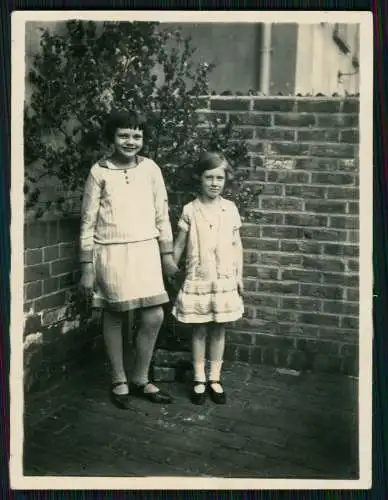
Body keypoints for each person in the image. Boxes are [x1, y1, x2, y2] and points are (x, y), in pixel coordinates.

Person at [79, 109, 179, 409]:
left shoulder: (151, 169)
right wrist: (86, 266)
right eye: (124, 134)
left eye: (137, 135)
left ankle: (140, 377)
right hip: (111, 251)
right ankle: (119, 378)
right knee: (115, 314)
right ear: (112, 137)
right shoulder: (99, 172)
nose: (131, 141)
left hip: (146, 250)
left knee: (154, 315)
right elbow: (87, 222)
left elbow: (162, 214)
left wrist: (167, 256)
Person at [172, 151, 244, 405]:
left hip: (224, 278)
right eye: (209, 177)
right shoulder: (190, 210)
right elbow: (179, 244)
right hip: (199, 277)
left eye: (219, 178)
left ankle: (215, 378)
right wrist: (170, 265)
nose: (214, 183)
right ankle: (199, 378)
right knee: (199, 329)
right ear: (199, 179)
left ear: (226, 180)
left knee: (219, 329)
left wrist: (239, 276)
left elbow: (237, 246)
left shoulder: (230, 209)